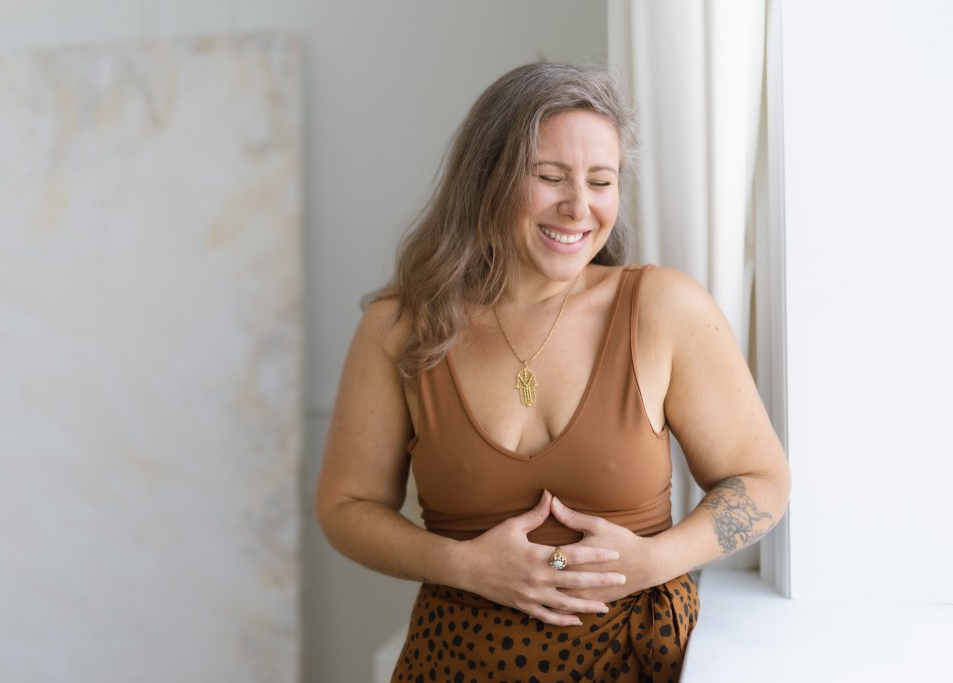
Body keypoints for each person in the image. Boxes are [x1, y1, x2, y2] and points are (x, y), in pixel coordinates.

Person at [315, 62, 791, 683]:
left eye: (601, 181)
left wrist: (651, 562)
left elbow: (762, 482)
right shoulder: (401, 326)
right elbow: (346, 507)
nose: (579, 207)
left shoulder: (662, 308)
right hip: (453, 663)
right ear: (487, 178)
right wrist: (464, 565)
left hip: (635, 660)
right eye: (549, 177)